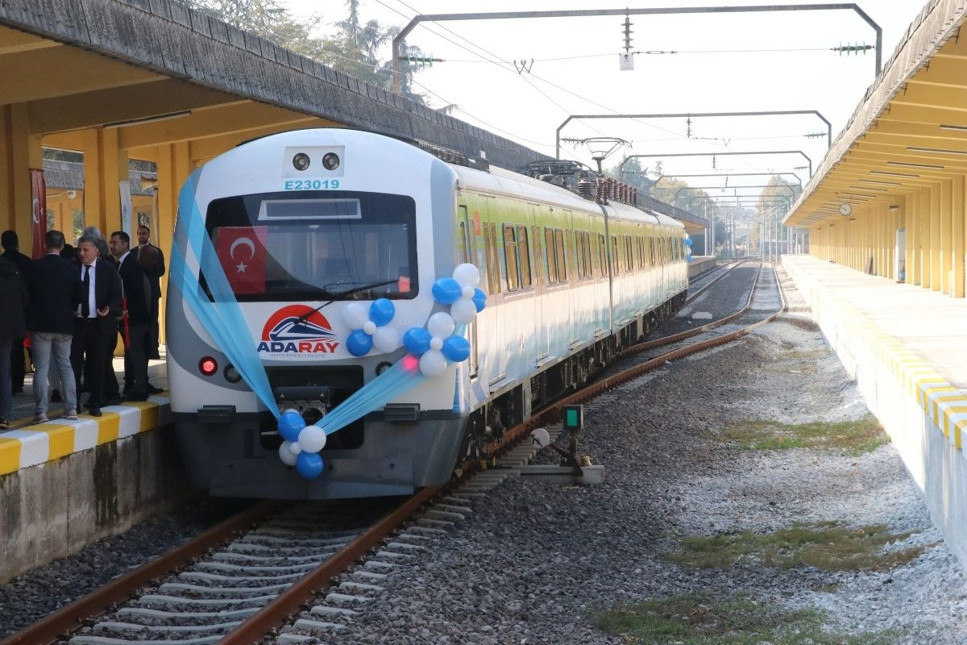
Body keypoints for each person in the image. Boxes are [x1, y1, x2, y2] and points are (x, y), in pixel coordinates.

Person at [29, 230, 81, 423]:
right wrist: (73, 308)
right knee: (65, 366)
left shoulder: (35, 267)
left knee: (41, 368)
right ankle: (71, 409)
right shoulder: (72, 269)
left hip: (41, 323)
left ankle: (41, 412)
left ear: (45, 244)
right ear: (62, 245)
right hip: (65, 323)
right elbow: (78, 295)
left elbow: (29, 294)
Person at [71, 234, 121, 417]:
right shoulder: (73, 268)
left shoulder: (107, 269)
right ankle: (74, 402)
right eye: (79, 250)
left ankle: (95, 402)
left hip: (98, 325)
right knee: (74, 365)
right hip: (77, 324)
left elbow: (117, 294)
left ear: (96, 251)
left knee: (98, 364)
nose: (82, 254)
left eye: (85, 250)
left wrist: (110, 308)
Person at [109, 231, 150, 401]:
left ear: (125, 244)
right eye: (111, 242)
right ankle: (133, 385)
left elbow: (135, 291)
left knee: (136, 352)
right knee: (131, 352)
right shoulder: (119, 264)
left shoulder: (131, 264)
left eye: (115, 242)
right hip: (125, 316)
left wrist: (126, 312)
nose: (112, 246)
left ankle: (140, 388)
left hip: (134, 317)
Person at [133, 225, 164, 392]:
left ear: (149, 234)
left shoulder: (156, 251)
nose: (141, 236)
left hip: (151, 293)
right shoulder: (132, 253)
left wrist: (147, 271)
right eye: (139, 234)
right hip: (137, 298)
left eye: (144, 233)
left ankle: (153, 347)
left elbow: (161, 270)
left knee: (151, 326)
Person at [0, 254, 28, 428]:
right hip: (7, 330)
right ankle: (3, 415)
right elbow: (25, 299)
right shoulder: (13, 271)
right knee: (4, 372)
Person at [1, 230, 31, 395]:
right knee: (18, 347)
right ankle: (18, 381)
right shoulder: (25, 262)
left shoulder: (4, 261)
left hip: (3, 318)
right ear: (17, 242)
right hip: (19, 315)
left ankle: (8, 385)